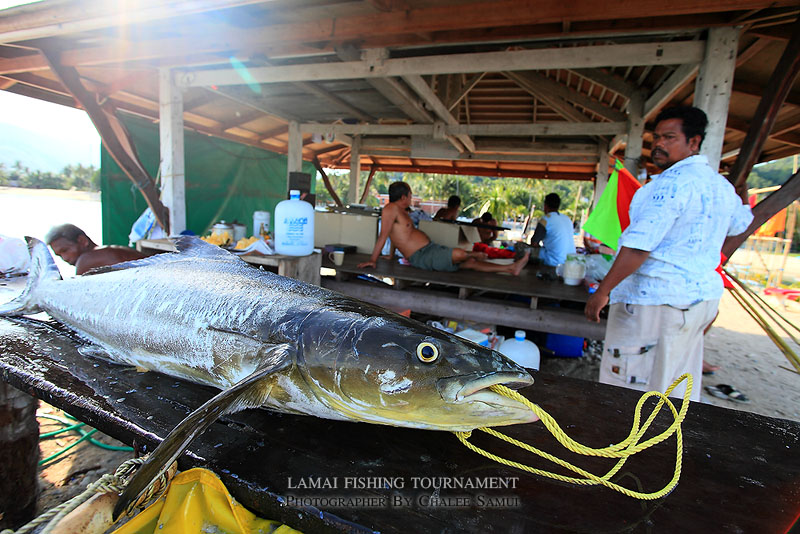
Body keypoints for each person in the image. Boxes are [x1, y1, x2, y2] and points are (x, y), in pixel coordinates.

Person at [584, 106, 753, 402]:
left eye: (670, 137)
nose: (659, 144)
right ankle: (665, 440)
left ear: (694, 142)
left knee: (629, 385)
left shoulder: (669, 185)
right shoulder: (721, 187)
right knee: (675, 382)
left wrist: (603, 291)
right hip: (699, 300)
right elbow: (742, 223)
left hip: (654, 301)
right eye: (657, 137)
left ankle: (629, 444)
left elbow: (638, 246)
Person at [358, 182, 528, 275]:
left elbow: (396, 235)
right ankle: (472, 253)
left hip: (429, 250)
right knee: (461, 255)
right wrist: (373, 259)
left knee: (470, 264)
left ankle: (509, 268)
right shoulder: (391, 209)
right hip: (422, 256)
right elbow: (384, 235)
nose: (411, 198)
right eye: (410, 195)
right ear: (403, 196)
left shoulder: (400, 211)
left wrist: (389, 254)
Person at [45, 223, 147, 275]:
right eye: (59, 255)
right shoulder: (105, 251)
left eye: (65, 250)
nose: (65, 258)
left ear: (82, 241)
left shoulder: (86, 260)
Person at [529, 193, 575, 266]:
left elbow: (534, 243)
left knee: (521, 248)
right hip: (569, 261)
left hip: (554, 261)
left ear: (545, 205)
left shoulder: (545, 219)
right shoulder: (567, 219)